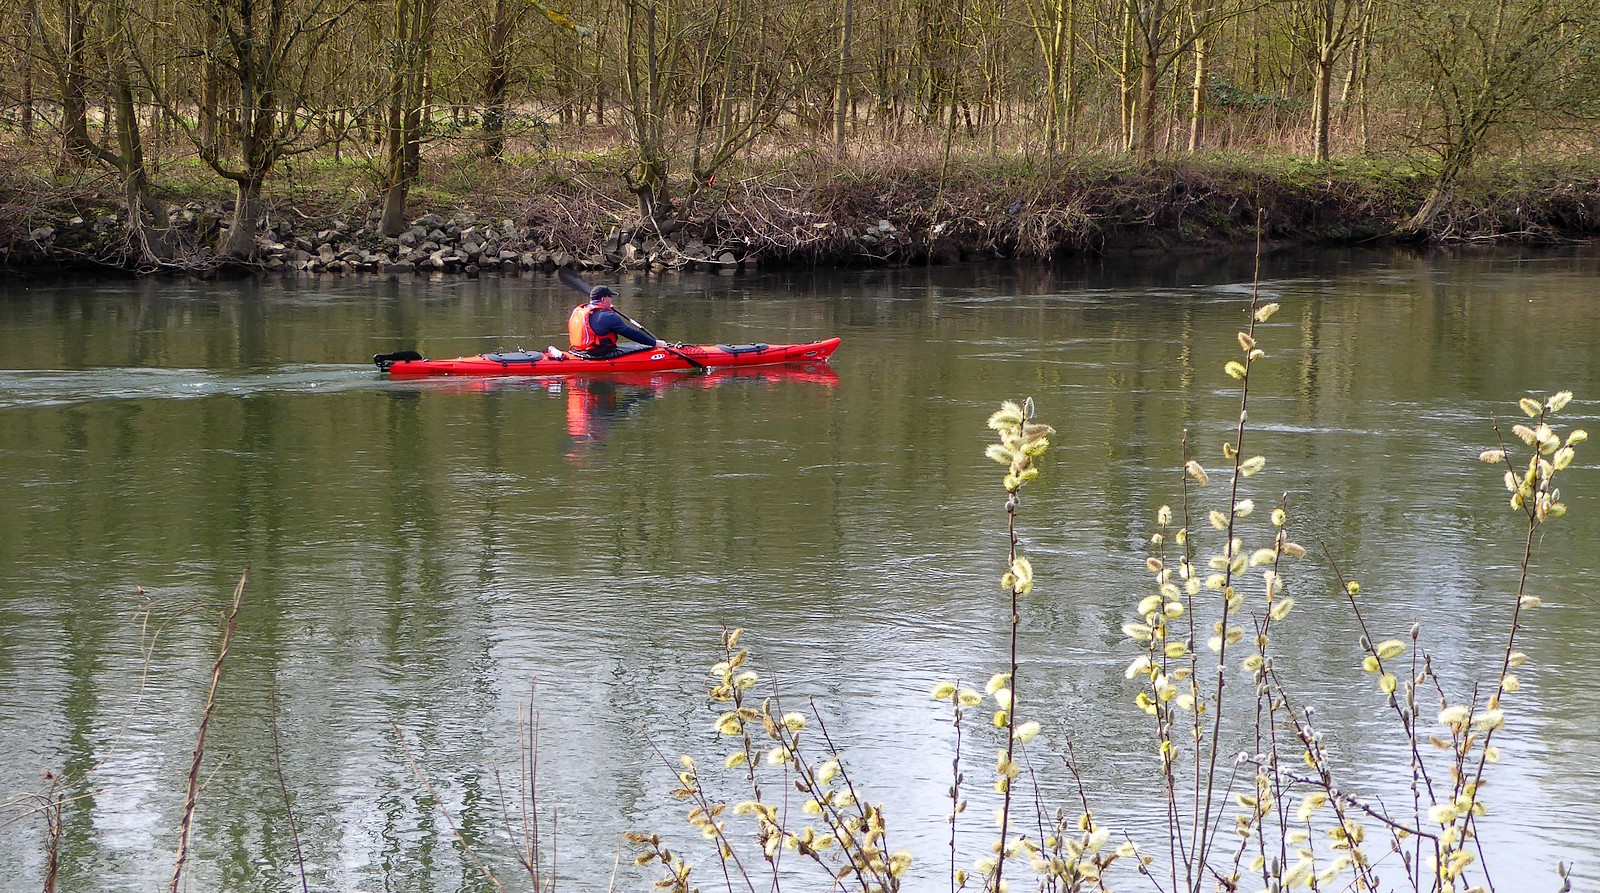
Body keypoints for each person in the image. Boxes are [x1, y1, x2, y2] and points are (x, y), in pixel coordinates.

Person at [566, 285, 668, 358]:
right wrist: (654, 343)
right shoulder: (607, 316)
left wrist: (607, 309)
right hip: (599, 353)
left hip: (579, 350)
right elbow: (630, 333)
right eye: (610, 297)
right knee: (643, 346)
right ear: (603, 299)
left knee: (635, 346)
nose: (611, 299)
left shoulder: (581, 310)